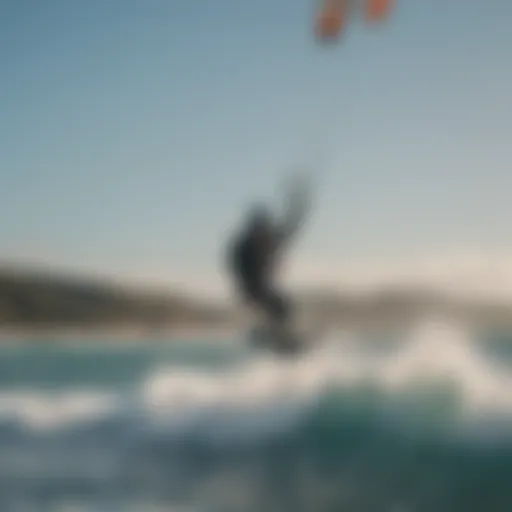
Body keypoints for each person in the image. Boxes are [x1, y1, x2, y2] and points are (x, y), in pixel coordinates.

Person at [226, 173, 311, 349]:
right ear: (253, 228)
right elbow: (237, 270)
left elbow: (291, 225)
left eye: (264, 228)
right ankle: (271, 336)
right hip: (251, 288)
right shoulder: (244, 246)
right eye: (259, 229)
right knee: (278, 306)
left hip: (262, 288)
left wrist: (298, 200)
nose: (262, 232)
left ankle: (278, 336)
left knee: (284, 306)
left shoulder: (270, 238)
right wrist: (249, 293)